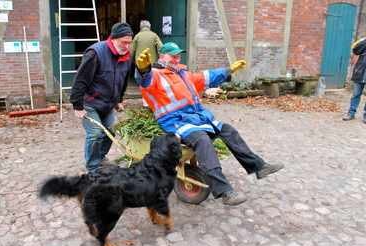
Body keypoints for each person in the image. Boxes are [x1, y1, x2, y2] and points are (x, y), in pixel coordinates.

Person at [134, 42, 284, 206]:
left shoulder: (183, 74)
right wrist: (143, 69)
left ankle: (259, 167)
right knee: (202, 141)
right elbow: (145, 81)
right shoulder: (156, 74)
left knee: (228, 130)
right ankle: (225, 191)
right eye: (172, 56)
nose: (177, 59)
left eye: (178, 56)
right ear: (162, 56)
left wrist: (228, 71)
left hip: (197, 118)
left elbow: (205, 77)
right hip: (175, 121)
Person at [69, 23, 134, 172]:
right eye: (123, 42)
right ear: (113, 39)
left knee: (110, 131)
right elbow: (80, 80)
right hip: (90, 102)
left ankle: (100, 157)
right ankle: (92, 168)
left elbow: (123, 80)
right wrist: (78, 106)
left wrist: (119, 99)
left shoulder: (127, 55)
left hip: (108, 103)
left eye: (129, 42)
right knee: (95, 134)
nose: (126, 46)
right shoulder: (96, 53)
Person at [343, 37, 366, 123]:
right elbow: (355, 50)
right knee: (356, 94)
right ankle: (351, 113)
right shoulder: (364, 42)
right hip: (360, 73)